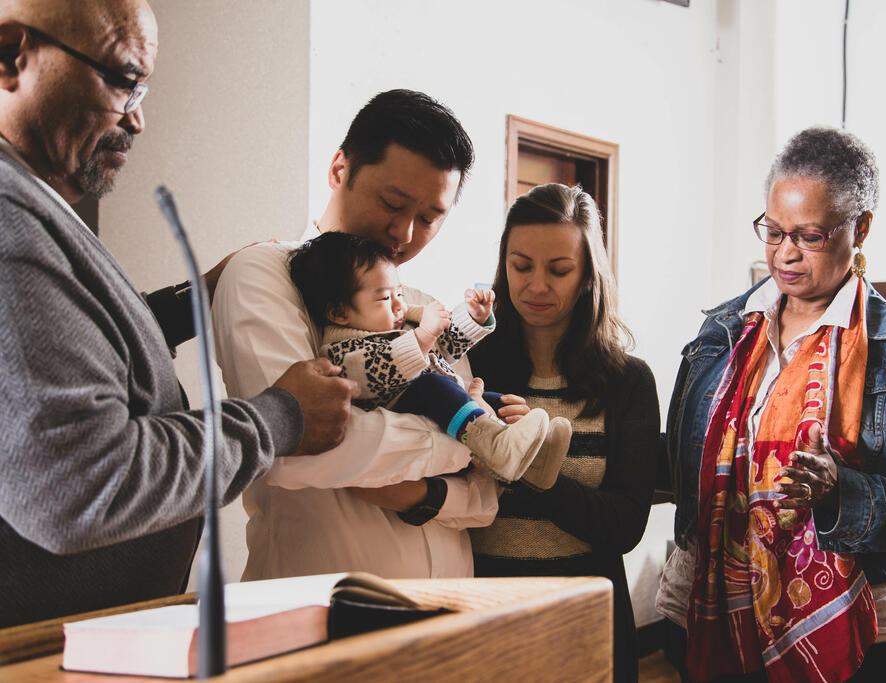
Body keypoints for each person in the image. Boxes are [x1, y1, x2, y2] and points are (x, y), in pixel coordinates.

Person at [0, 0, 356, 628]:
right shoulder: (10, 229)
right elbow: (82, 486)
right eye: (122, 80)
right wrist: (281, 417)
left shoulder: (33, 208)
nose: (138, 119)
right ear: (11, 56)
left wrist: (184, 306)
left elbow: (62, 352)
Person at [656, 127, 886, 683]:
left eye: (808, 236)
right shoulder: (721, 335)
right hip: (717, 617)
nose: (784, 253)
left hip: (863, 632)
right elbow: (678, 472)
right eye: (773, 231)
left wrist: (842, 494)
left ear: (861, 228)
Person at [213, 89, 513, 581]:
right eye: (392, 203)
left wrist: (430, 493)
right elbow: (300, 449)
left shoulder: (418, 303)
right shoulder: (265, 275)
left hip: (453, 612)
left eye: (429, 218)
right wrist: (471, 437)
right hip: (325, 612)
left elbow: (483, 503)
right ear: (339, 170)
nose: (403, 233)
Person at [467, 183, 661, 683]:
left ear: (588, 275)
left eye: (558, 270)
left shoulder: (627, 381)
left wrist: (539, 473)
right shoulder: (473, 366)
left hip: (585, 612)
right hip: (485, 610)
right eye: (521, 265)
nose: (536, 286)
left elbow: (624, 526)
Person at [288, 231, 570, 488]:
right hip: (423, 425)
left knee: (500, 401)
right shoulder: (340, 353)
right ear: (339, 313)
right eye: (385, 298)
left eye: (399, 293)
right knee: (433, 386)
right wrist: (423, 335)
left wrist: (473, 318)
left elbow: (445, 347)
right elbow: (378, 371)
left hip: (450, 413)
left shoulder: (400, 328)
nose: (399, 304)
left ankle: (535, 462)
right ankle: (497, 447)